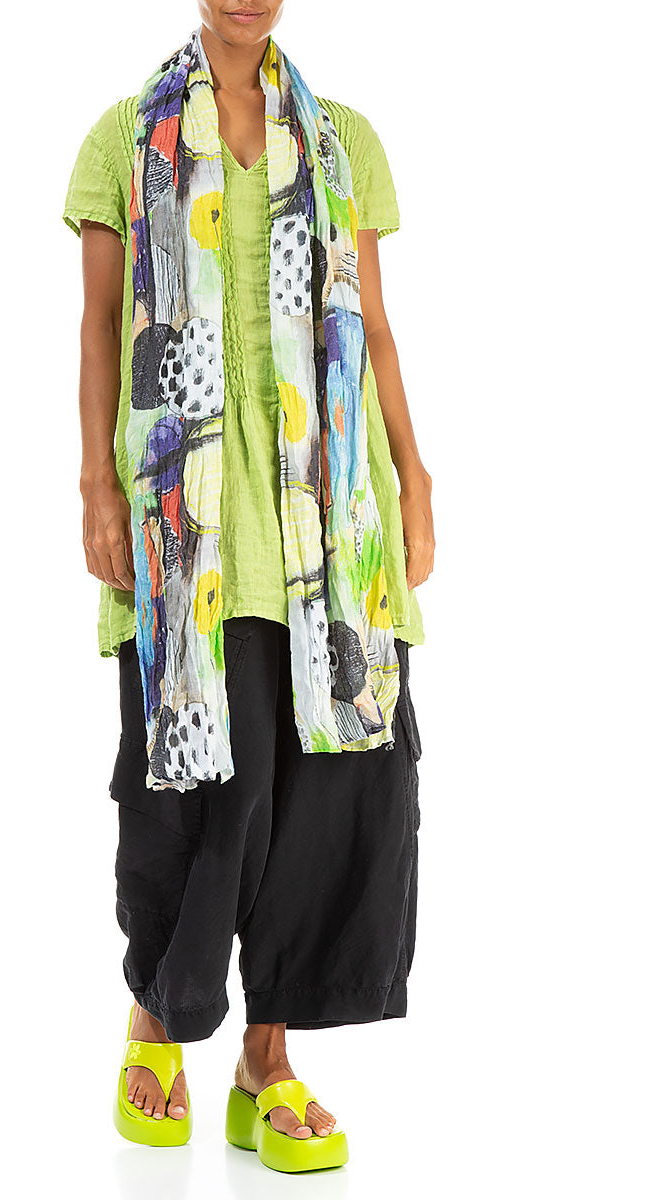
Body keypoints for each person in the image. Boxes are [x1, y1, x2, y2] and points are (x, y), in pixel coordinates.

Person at [63, 0, 435, 1173]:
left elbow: (373, 329)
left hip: (327, 521)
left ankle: (265, 1062)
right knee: (196, 794)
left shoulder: (344, 140)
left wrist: (415, 474)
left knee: (326, 795)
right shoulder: (122, 139)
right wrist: (97, 487)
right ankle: (156, 1021)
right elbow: (100, 327)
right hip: (189, 528)